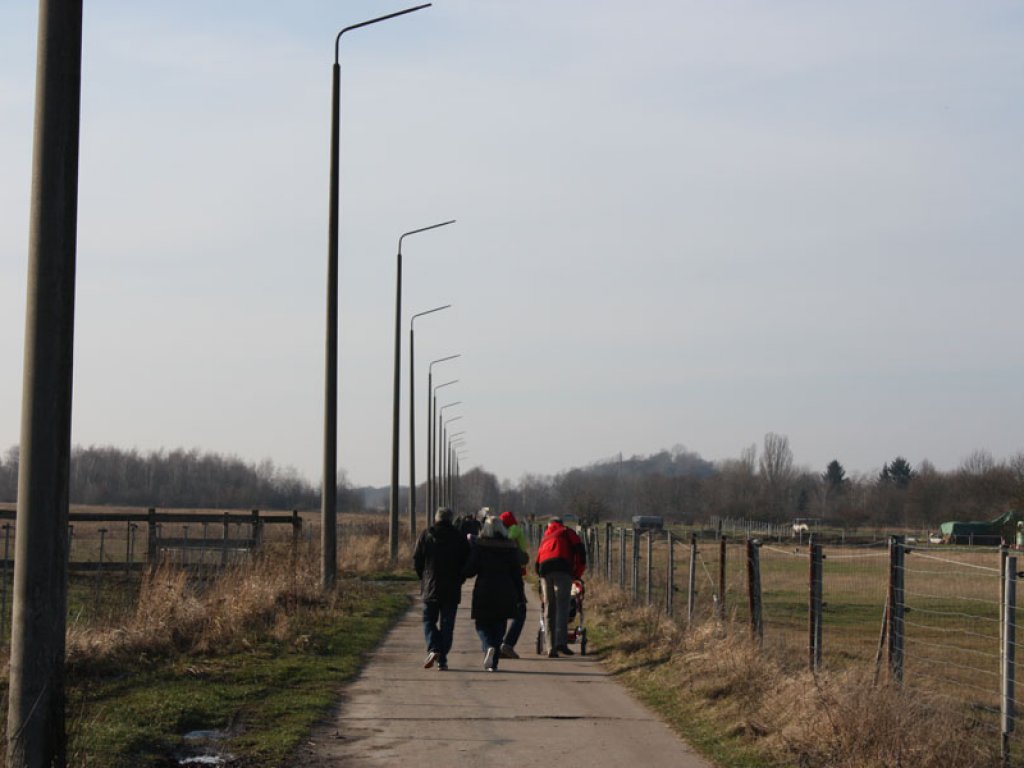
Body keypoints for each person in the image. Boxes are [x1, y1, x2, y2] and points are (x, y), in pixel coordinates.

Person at [462, 514, 527, 671]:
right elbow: (516, 574)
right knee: (499, 625)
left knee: (482, 624)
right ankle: (494, 663)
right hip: (506, 591)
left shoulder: (480, 546)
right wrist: (520, 595)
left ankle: (488, 646)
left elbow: (470, 571)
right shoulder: (510, 547)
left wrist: (461, 571)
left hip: (484, 590)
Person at [413, 507, 470, 671]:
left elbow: (417, 559)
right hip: (452, 587)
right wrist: (461, 578)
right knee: (447, 624)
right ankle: (442, 658)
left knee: (428, 621)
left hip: (431, 586)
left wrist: (423, 578)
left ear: (436, 519)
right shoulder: (459, 537)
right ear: (451, 520)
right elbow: (467, 560)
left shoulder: (426, 535)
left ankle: (434, 648)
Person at [535, 516, 586, 657]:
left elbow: (538, 559)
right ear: (561, 524)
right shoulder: (567, 532)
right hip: (563, 570)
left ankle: (550, 647)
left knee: (549, 608)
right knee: (562, 607)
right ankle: (560, 643)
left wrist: (540, 575)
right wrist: (576, 574)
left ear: (550, 525)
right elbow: (581, 552)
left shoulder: (546, 536)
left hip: (544, 571)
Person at [498, 510, 528, 659]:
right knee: (520, 610)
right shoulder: (514, 532)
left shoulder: (496, 535)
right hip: (514, 577)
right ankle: (507, 644)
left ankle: (497, 644)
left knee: (502, 611)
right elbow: (522, 557)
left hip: (497, 579)